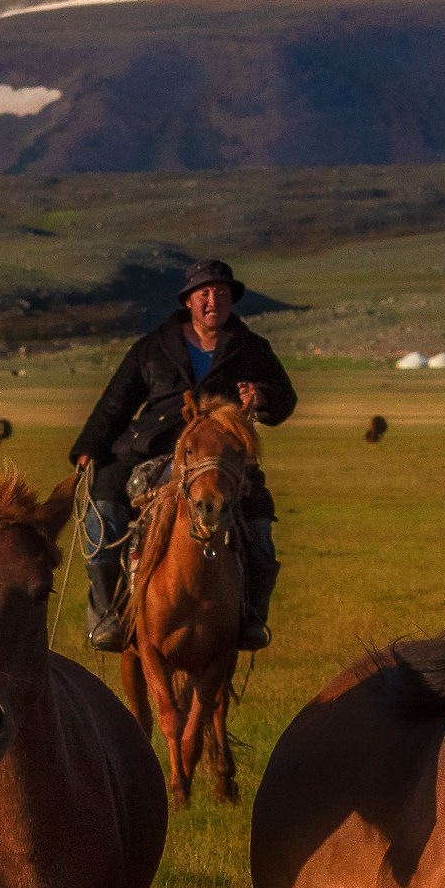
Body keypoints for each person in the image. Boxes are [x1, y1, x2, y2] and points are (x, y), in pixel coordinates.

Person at [69, 259, 297, 652]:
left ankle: (252, 617)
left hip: (221, 456)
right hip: (151, 446)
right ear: (188, 301)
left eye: (222, 293)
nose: (214, 300)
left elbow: (286, 399)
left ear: (231, 300)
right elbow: (116, 403)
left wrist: (261, 397)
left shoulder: (251, 348)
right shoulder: (153, 347)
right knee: (104, 511)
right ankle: (108, 613)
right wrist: (88, 448)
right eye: (204, 293)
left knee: (259, 524)